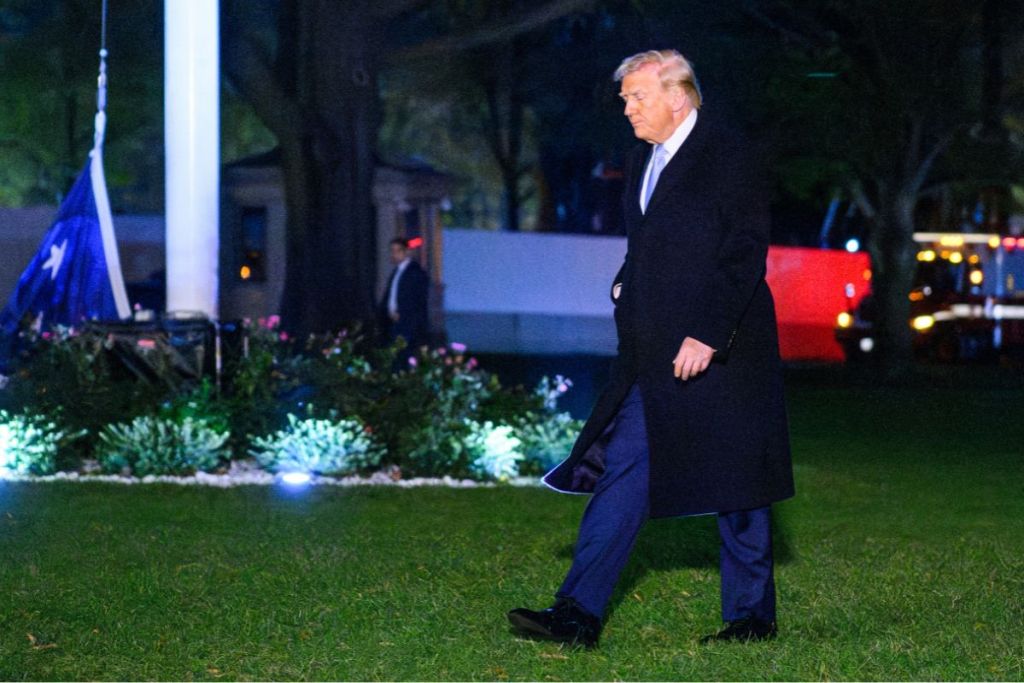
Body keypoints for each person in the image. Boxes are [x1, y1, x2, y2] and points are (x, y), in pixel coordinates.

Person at [507, 50, 794, 648]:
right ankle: (577, 615)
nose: (628, 109)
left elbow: (743, 253)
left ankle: (751, 620)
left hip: (724, 348)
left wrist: (711, 334)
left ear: (678, 96)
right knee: (624, 472)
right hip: (654, 353)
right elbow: (655, 244)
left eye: (638, 96)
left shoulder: (730, 157)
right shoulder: (646, 159)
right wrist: (627, 278)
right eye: (625, 99)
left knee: (739, 483)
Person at [378, 238, 429, 361]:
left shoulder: (415, 273)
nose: (394, 254)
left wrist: (402, 314)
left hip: (406, 325)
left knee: (402, 357)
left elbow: (417, 301)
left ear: (406, 252)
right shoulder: (397, 272)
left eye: (398, 251)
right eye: (392, 251)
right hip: (393, 323)